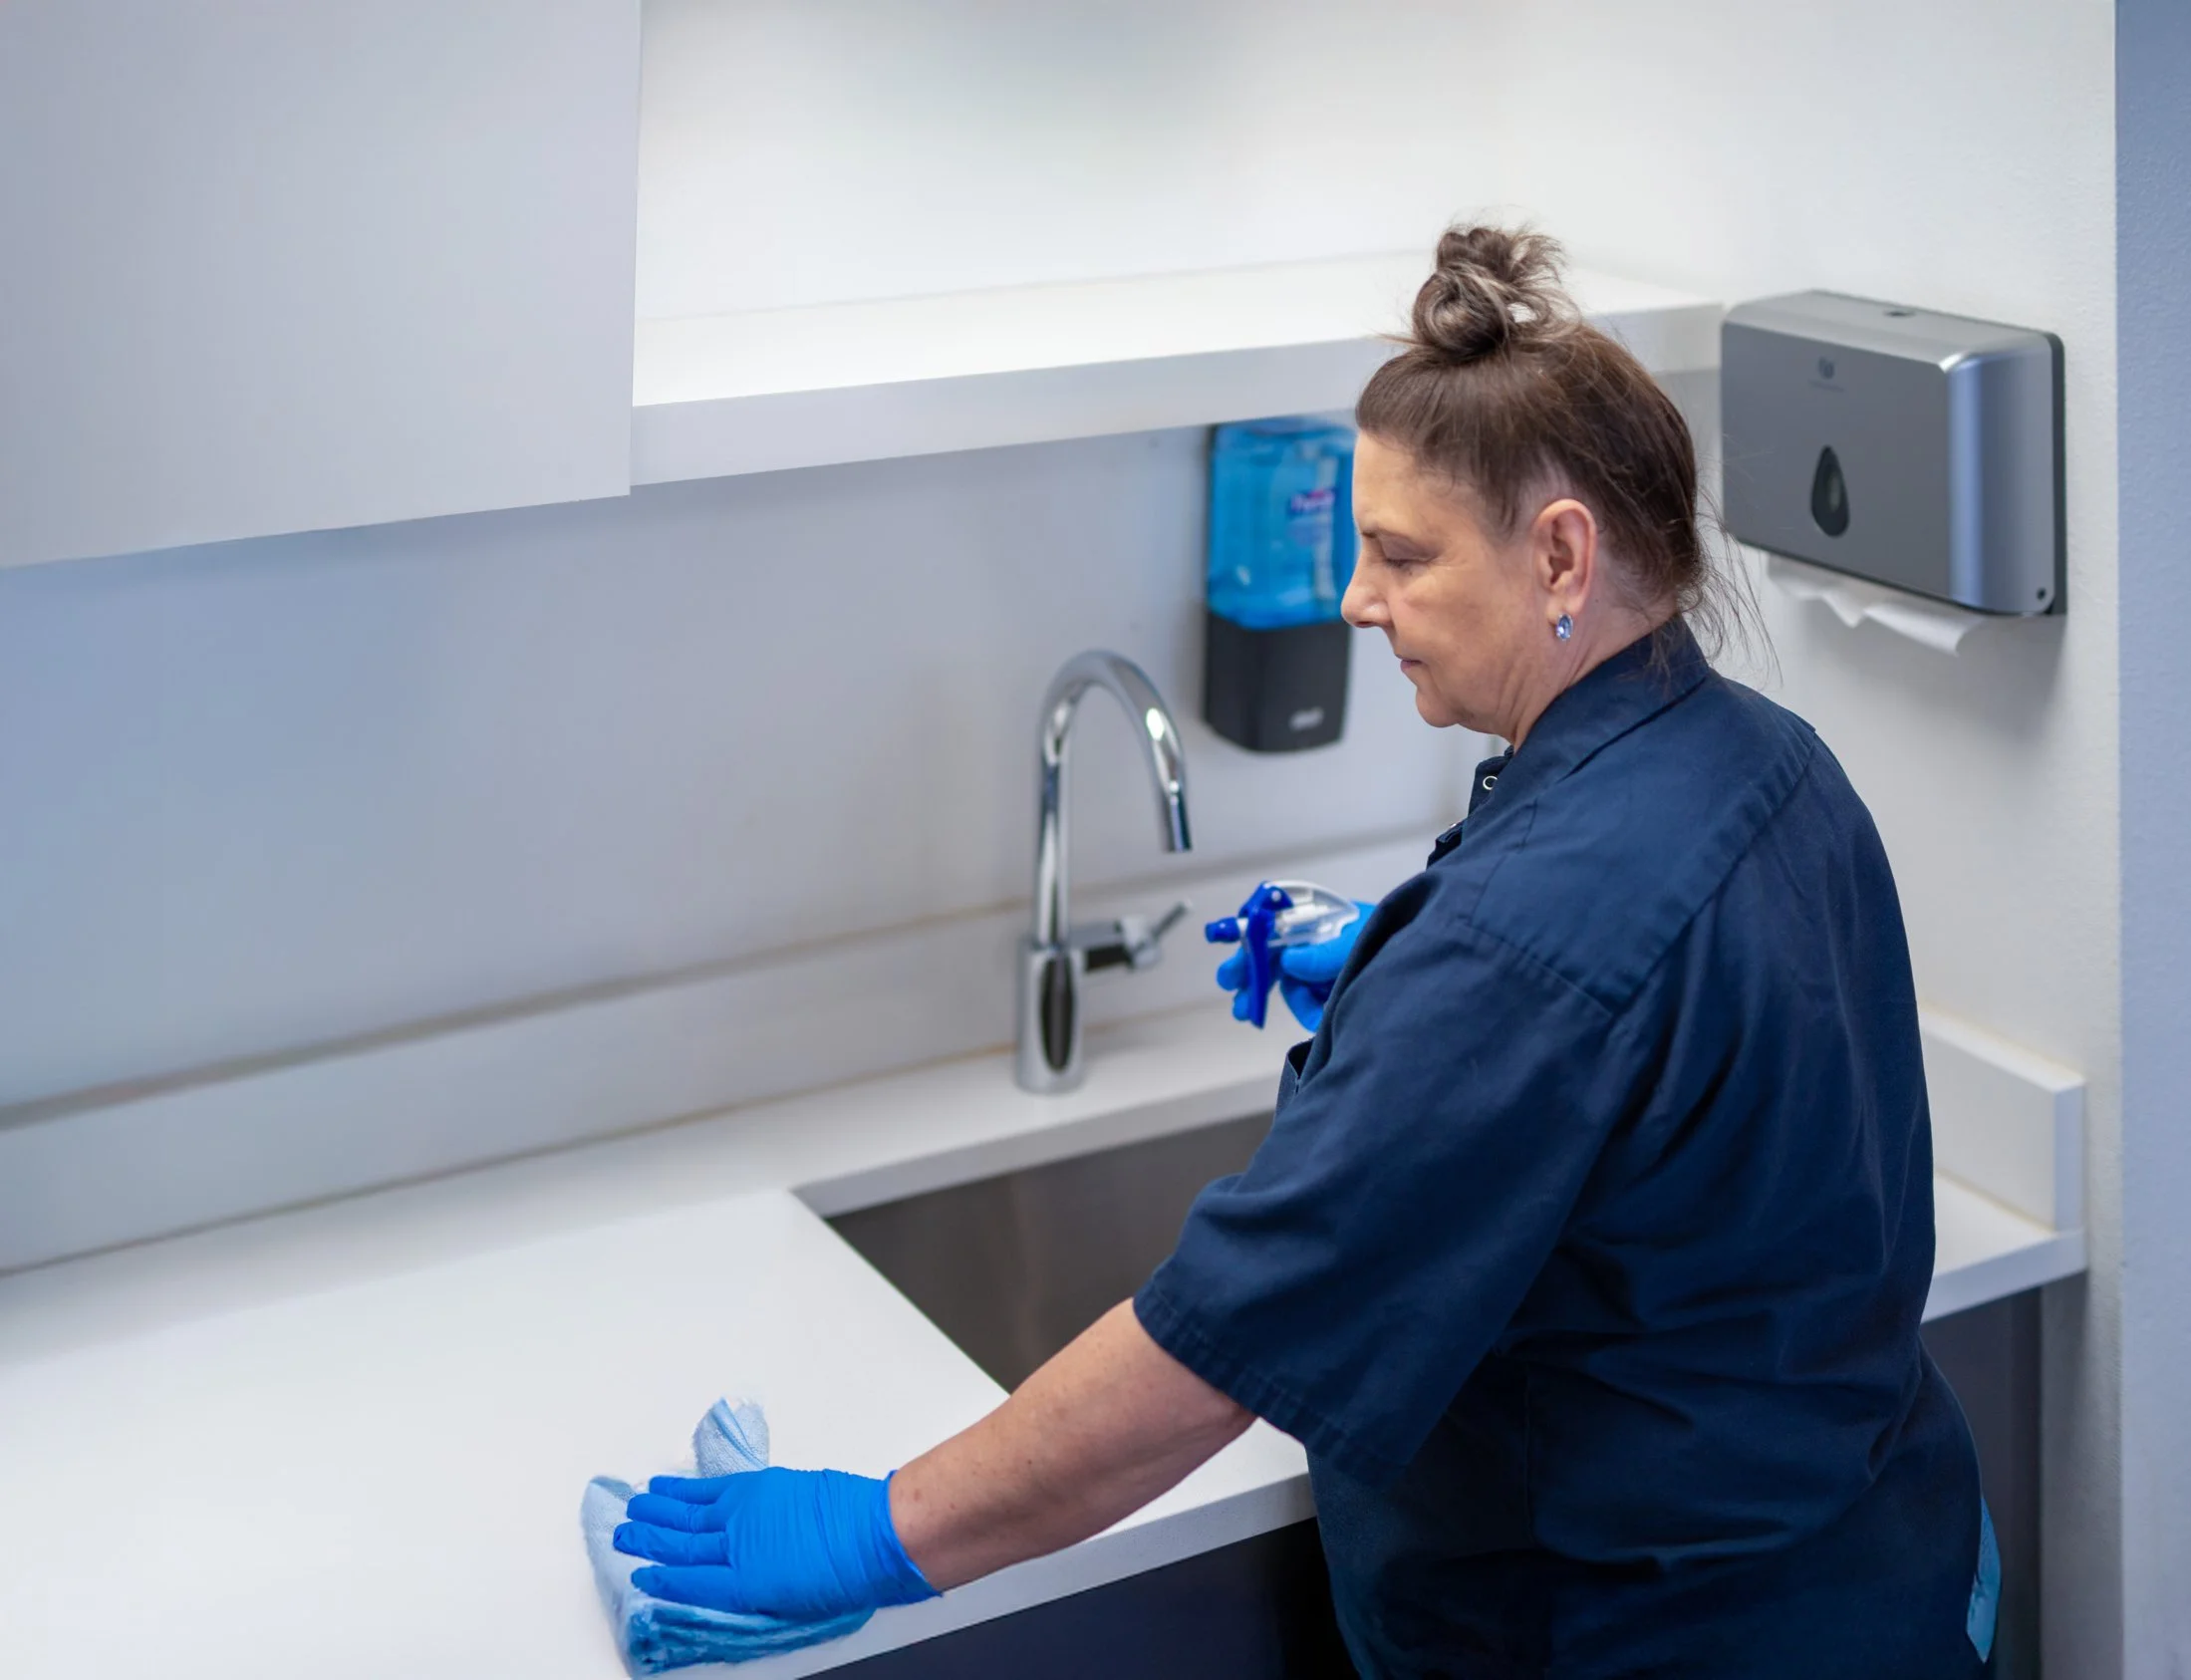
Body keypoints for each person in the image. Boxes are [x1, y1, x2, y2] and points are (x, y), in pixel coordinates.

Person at [612, 226, 1997, 1677]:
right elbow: (1696, 1085)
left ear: (1561, 554)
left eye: (1401, 553)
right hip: (1881, 1570)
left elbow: (1215, 1355)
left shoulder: (1523, 953)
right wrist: (1409, 971)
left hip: (1654, 1640)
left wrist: (882, 1530)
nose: (1355, 598)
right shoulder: (1777, 763)